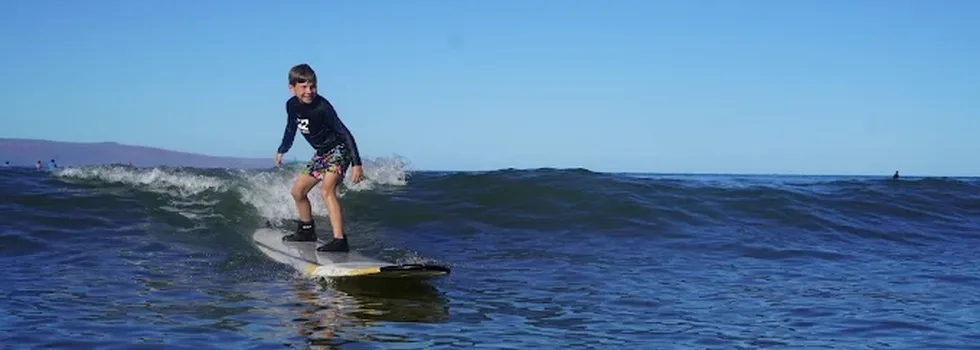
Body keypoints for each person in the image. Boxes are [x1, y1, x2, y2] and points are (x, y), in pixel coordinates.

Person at [274, 63, 364, 252]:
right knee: (298, 192)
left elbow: (345, 132)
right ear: (292, 88)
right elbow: (291, 128)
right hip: (322, 154)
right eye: (304, 87)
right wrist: (283, 149)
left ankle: (340, 240)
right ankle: (307, 231)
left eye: (312, 86)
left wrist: (357, 163)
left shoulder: (322, 106)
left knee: (327, 190)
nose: (309, 91)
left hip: (339, 149)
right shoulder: (291, 105)